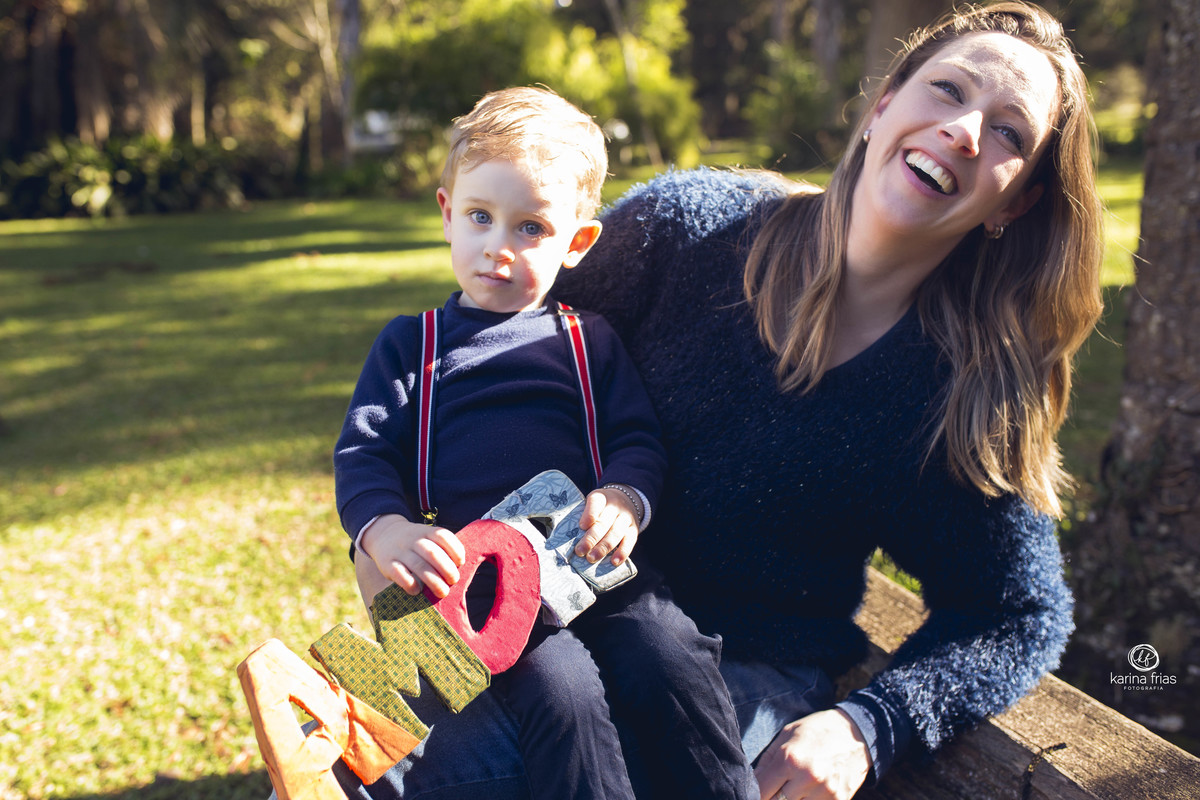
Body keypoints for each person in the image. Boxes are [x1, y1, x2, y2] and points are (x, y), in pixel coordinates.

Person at [325, 3, 1103, 799]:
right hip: (534, 616)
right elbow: (490, 344)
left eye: (1009, 132)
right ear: (881, 107)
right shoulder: (684, 228)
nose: (965, 130)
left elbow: (1020, 613)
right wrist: (378, 532)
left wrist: (869, 725)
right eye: (947, 89)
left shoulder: (962, 393)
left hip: (735, 669)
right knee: (341, 772)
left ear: (1016, 202)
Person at [332, 86, 757, 800]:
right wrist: (387, 530)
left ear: (577, 243)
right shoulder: (413, 345)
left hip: (593, 564)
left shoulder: (588, 342)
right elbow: (364, 453)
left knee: (671, 655)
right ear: (446, 214)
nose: (497, 247)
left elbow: (636, 439)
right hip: (486, 596)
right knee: (564, 694)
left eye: (530, 228)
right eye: (479, 217)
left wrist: (624, 498)